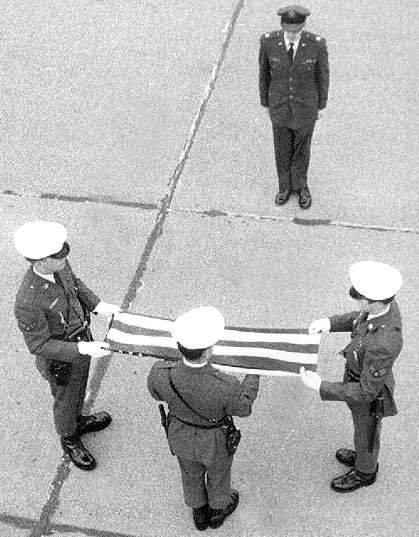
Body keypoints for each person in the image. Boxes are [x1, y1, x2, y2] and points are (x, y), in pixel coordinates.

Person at [14, 221, 120, 471]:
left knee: (79, 389)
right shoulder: (27, 301)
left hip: (82, 341)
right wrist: (80, 350)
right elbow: (39, 345)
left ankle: (78, 420)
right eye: (58, 257)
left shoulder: (59, 265)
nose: (65, 259)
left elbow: (75, 284)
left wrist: (97, 305)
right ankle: (69, 437)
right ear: (41, 262)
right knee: (65, 399)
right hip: (61, 359)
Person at [147, 306, 259, 531]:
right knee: (219, 473)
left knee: (189, 471)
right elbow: (243, 408)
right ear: (208, 352)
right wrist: (253, 374)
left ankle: (198, 511)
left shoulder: (161, 372)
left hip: (180, 434)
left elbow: (155, 393)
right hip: (215, 441)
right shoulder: (226, 386)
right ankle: (218, 510)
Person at [300, 261, 403, 492]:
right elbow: (359, 319)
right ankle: (362, 458)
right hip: (356, 377)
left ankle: (365, 472)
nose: (359, 303)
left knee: (366, 433)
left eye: (363, 300)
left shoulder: (385, 342)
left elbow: (367, 391)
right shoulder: (382, 307)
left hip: (367, 394)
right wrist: (328, 323)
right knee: (360, 428)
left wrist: (322, 386)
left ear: (375, 302)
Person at [259, 5, 329, 208]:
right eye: (288, 31)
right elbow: (264, 74)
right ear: (282, 27)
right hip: (279, 105)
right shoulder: (268, 42)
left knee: (301, 148)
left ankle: (301, 186)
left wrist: (321, 105)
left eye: (296, 31)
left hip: (306, 107)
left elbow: (323, 76)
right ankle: (284, 187)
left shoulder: (316, 44)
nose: (291, 35)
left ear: (303, 27)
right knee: (282, 148)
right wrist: (265, 103)